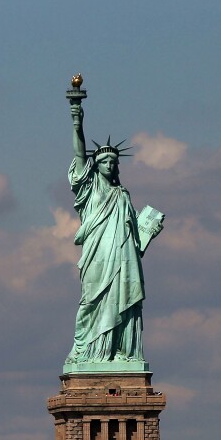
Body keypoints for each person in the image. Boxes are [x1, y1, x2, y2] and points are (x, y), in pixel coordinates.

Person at [65, 103, 162, 366]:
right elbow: (79, 155)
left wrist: (148, 230)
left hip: (124, 258)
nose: (108, 165)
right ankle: (87, 351)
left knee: (124, 300)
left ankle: (120, 351)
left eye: (112, 162)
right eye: (103, 161)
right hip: (97, 255)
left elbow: (134, 240)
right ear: (95, 166)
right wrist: (77, 121)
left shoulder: (123, 195)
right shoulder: (89, 189)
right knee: (91, 302)